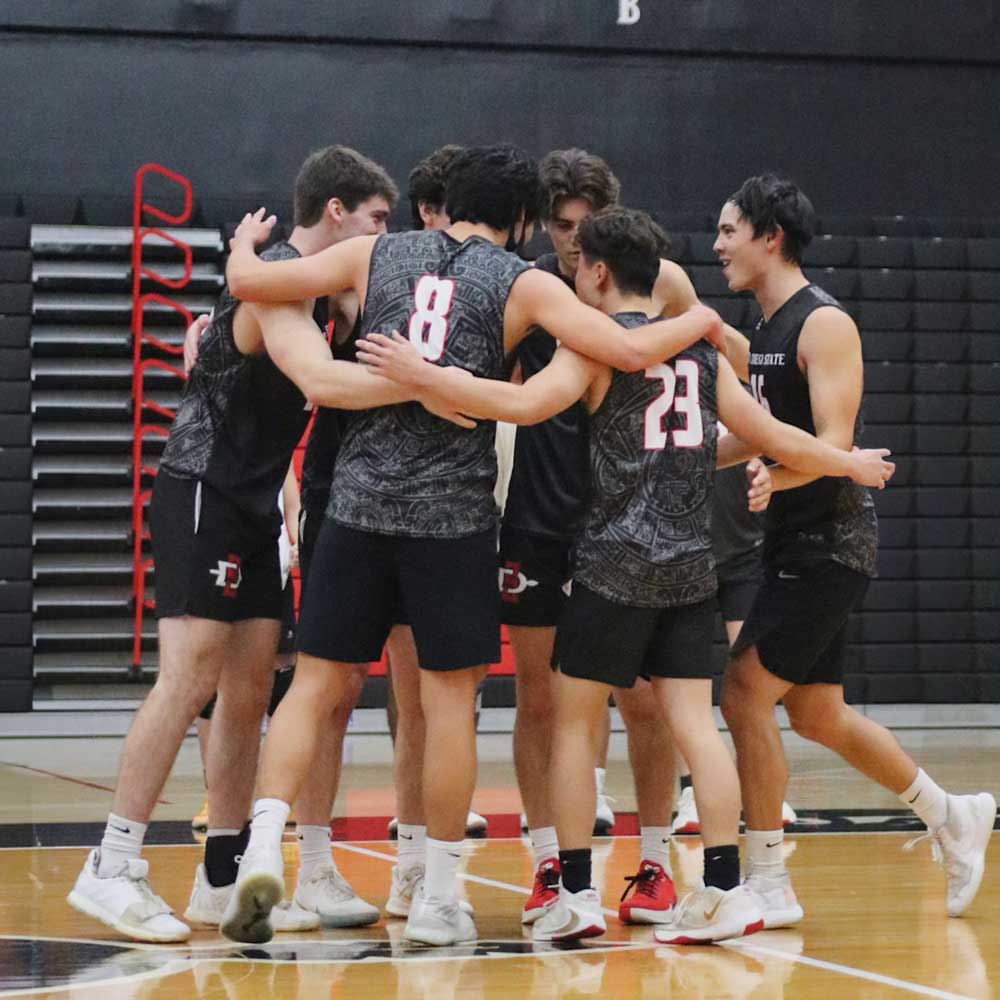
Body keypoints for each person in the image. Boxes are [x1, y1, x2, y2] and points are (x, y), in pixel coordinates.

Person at [217, 143, 729, 948]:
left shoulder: (371, 250)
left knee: (314, 688)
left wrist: (243, 247)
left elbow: (250, 285)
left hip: (356, 505)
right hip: (451, 521)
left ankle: (259, 848)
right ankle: (438, 895)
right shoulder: (522, 282)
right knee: (449, 703)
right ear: (523, 221)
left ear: (442, 200)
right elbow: (627, 352)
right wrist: (702, 318)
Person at [357, 205, 895, 943]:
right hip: (688, 569)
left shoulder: (599, 352)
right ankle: (728, 888)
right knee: (697, 728)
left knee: (576, 728)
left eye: (578, 267)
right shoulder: (704, 359)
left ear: (600, 273)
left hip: (612, 566)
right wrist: (848, 462)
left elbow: (517, 402)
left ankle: (576, 894)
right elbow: (771, 437)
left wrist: (427, 376)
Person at [66, 145, 402, 942]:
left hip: (255, 504)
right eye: (377, 220)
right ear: (336, 212)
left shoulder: (310, 291)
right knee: (187, 681)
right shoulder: (280, 281)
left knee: (250, 693)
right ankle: (112, 864)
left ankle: (221, 879)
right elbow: (320, 382)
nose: (383, 238)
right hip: (203, 491)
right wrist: (441, 384)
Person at [714, 173, 997, 926]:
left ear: (770, 237)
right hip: (791, 539)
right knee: (814, 713)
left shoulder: (823, 324)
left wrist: (773, 477)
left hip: (829, 541)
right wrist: (676, 454)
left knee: (742, 691)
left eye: (728, 230)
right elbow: (761, 430)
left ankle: (769, 880)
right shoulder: (766, 326)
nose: (718, 247)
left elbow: (834, 445)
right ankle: (953, 815)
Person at [506, 148, 705, 927]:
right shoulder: (528, 286)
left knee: (647, 701)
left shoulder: (662, 282)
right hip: (539, 510)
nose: (571, 238)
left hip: (631, 517)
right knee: (539, 700)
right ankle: (551, 864)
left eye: (585, 226)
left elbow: (709, 374)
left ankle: (655, 863)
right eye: (560, 225)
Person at [671, 435, 797, 836]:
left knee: (754, 682)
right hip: (681, 552)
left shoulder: (739, 387)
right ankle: (691, 791)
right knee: (679, 681)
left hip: (744, 553)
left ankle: (763, 787)